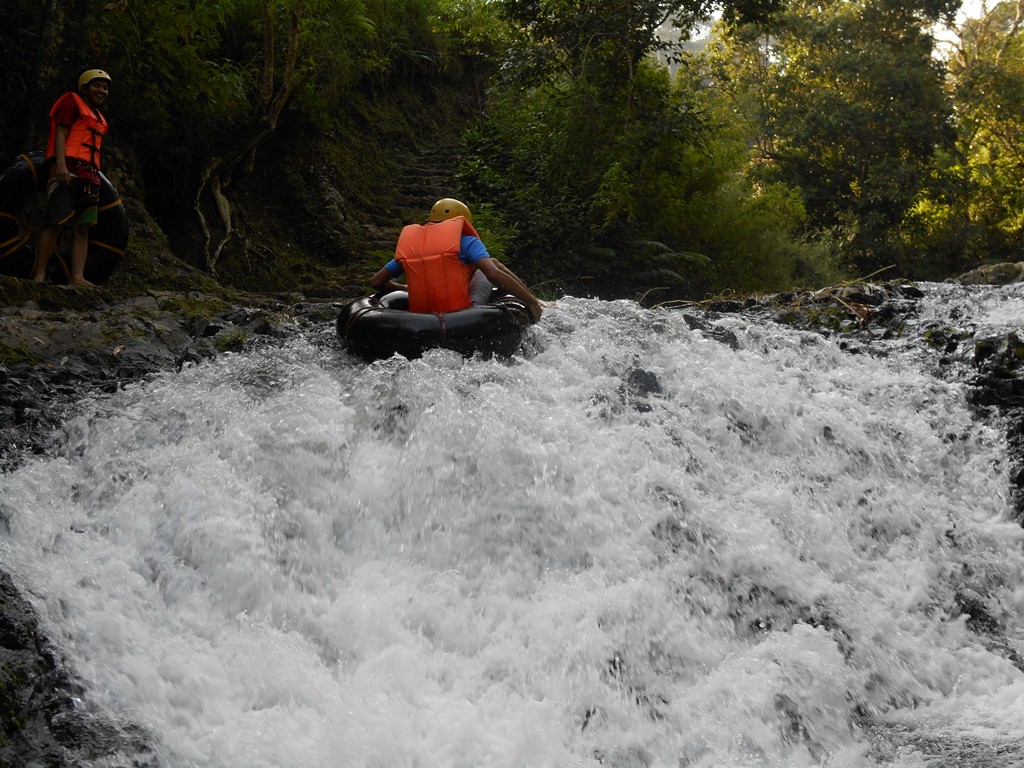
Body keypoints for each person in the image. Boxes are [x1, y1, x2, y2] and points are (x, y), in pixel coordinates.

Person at [370, 198, 543, 323]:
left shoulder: (413, 247)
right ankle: (534, 298)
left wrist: (404, 288)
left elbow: (376, 281)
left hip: (419, 317)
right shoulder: (467, 241)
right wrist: (531, 302)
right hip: (462, 315)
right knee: (493, 263)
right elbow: (492, 273)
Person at [32, 68, 112, 287]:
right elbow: (61, 133)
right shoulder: (72, 104)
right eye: (97, 86)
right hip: (69, 171)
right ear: (84, 88)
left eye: (105, 88)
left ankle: (77, 277)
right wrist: (60, 166)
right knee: (55, 222)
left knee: (83, 228)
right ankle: (39, 273)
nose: (101, 91)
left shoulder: (99, 118)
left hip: (90, 177)